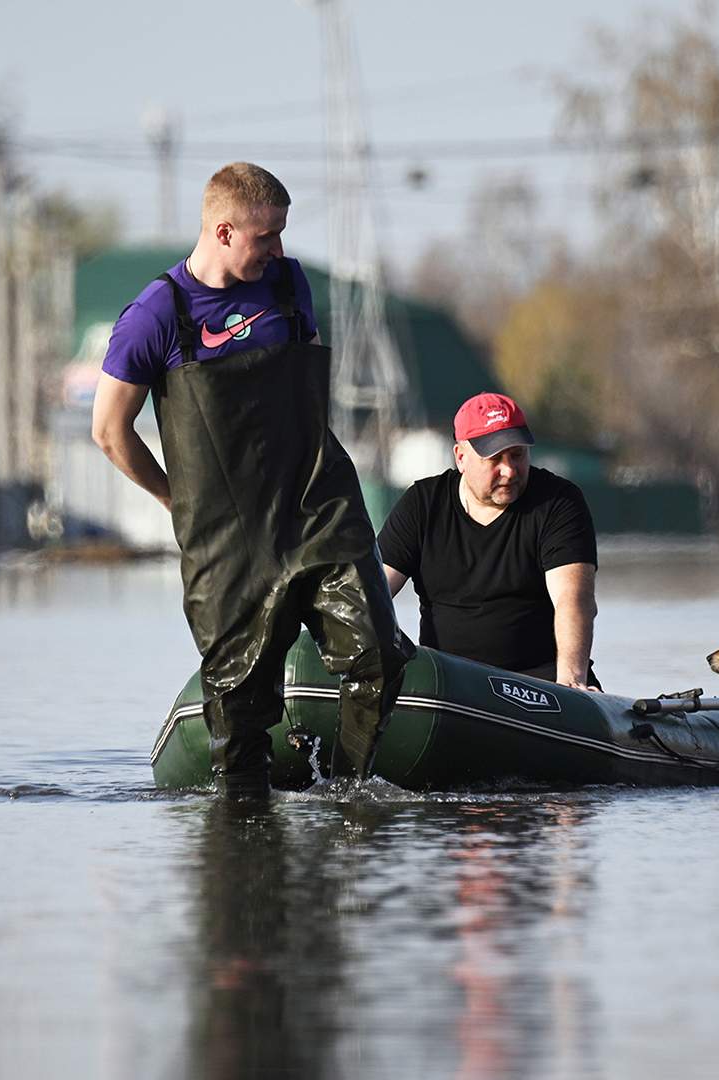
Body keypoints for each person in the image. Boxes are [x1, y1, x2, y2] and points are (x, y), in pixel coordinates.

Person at [91, 161, 411, 793]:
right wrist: (173, 498)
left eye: (282, 234)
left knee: (378, 655)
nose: (279, 249)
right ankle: (241, 835)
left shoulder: (290, 286)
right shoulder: (158, 313)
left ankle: (348, 797)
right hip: (227, 536)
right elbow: (108, 431)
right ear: (224, 231)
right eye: (267, 237)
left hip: (319, 508)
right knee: (239, 709)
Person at [378, 392, 600, 690]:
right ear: (460, 457)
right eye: (495, 458)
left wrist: (572, 681)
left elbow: (572, 599)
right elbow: (372, 593)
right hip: (448, 684)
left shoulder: (559, 502)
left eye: (517, 455)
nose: (509, 471)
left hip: (540, 684)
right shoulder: (422, 504)